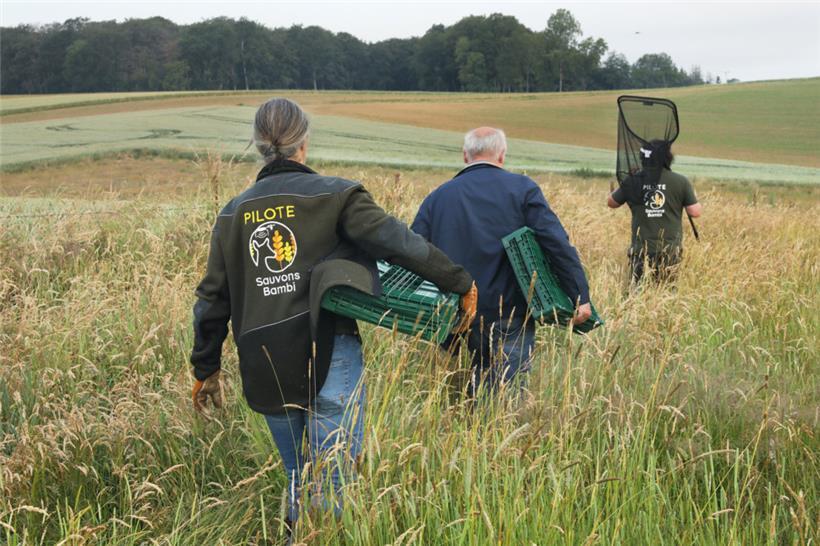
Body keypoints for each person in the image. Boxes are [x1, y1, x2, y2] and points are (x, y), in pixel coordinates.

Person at [189, 98, 477, 538]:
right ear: (303, 144)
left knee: (297, 477)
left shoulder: (233, 213)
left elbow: (212, 300)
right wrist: (459, 283)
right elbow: (399, 243)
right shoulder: (338, 195)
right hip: (332, 355)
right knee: (332, 484)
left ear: (258, 146)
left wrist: (205, 368)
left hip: (263, 362)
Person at [411, 127, 591, 396]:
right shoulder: (523, 190)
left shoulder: (438, 197)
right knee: (505, 403)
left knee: (455, 397)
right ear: (502, 156)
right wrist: (579, 294)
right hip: (508, 313)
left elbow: (413, 251)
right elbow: (556, 243)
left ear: (464, 156)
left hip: (453, 316)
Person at [607, 140, 702, 283]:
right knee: (666, 293)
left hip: (640, 249)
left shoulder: (633, 180)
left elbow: (612, 203)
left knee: (638, 291)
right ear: (667, 157)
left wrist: (626, 182)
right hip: (669, 249)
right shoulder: (680, 181)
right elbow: (695, 212)